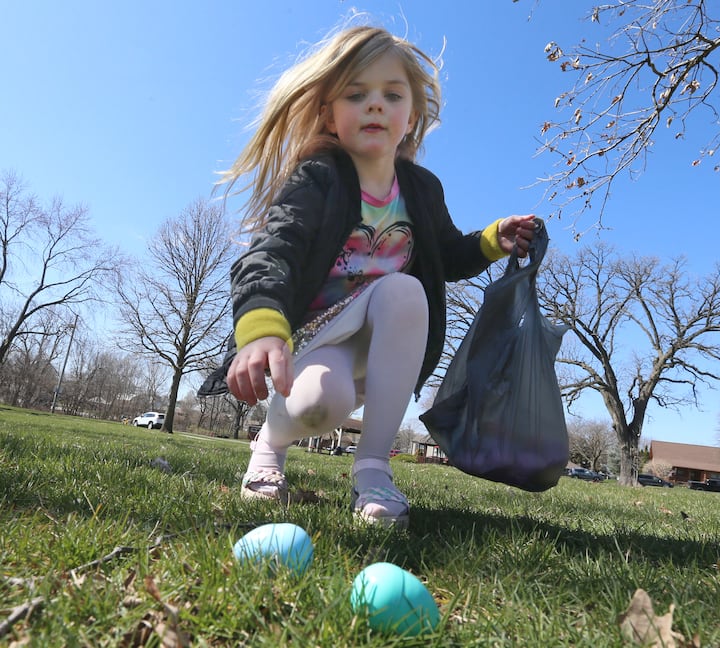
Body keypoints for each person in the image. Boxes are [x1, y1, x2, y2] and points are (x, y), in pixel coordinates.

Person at [221, 24, 537, 529]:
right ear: (328, 112)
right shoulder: (318, 178)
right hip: (315, 337)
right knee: (324, 403)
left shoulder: (421, 189)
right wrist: (260, 328)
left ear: (412, 115)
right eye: (356, 93)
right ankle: (269, 445)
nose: (375, 105)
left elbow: (445, 256)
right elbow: (273, 250)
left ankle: (373, 468)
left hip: (383, 344)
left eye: (392, 95)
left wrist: (490, 240)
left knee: (406, 290)